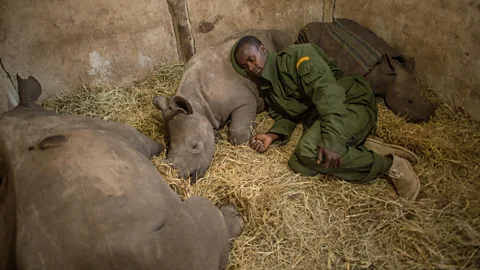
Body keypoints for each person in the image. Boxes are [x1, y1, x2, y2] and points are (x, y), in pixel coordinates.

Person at [230, 36, 421, 200]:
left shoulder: (297, 56)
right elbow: (288, 114)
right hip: (327, 115)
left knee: (308, 151)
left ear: (263, 49)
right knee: (297, 163)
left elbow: (328, 92)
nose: (251, 67)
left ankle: (390, 165)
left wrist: (333, 140)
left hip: (350, 102)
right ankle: (364, 146)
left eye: (251, 59)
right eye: (245, 66)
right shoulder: (269, 88)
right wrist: (271, 135)